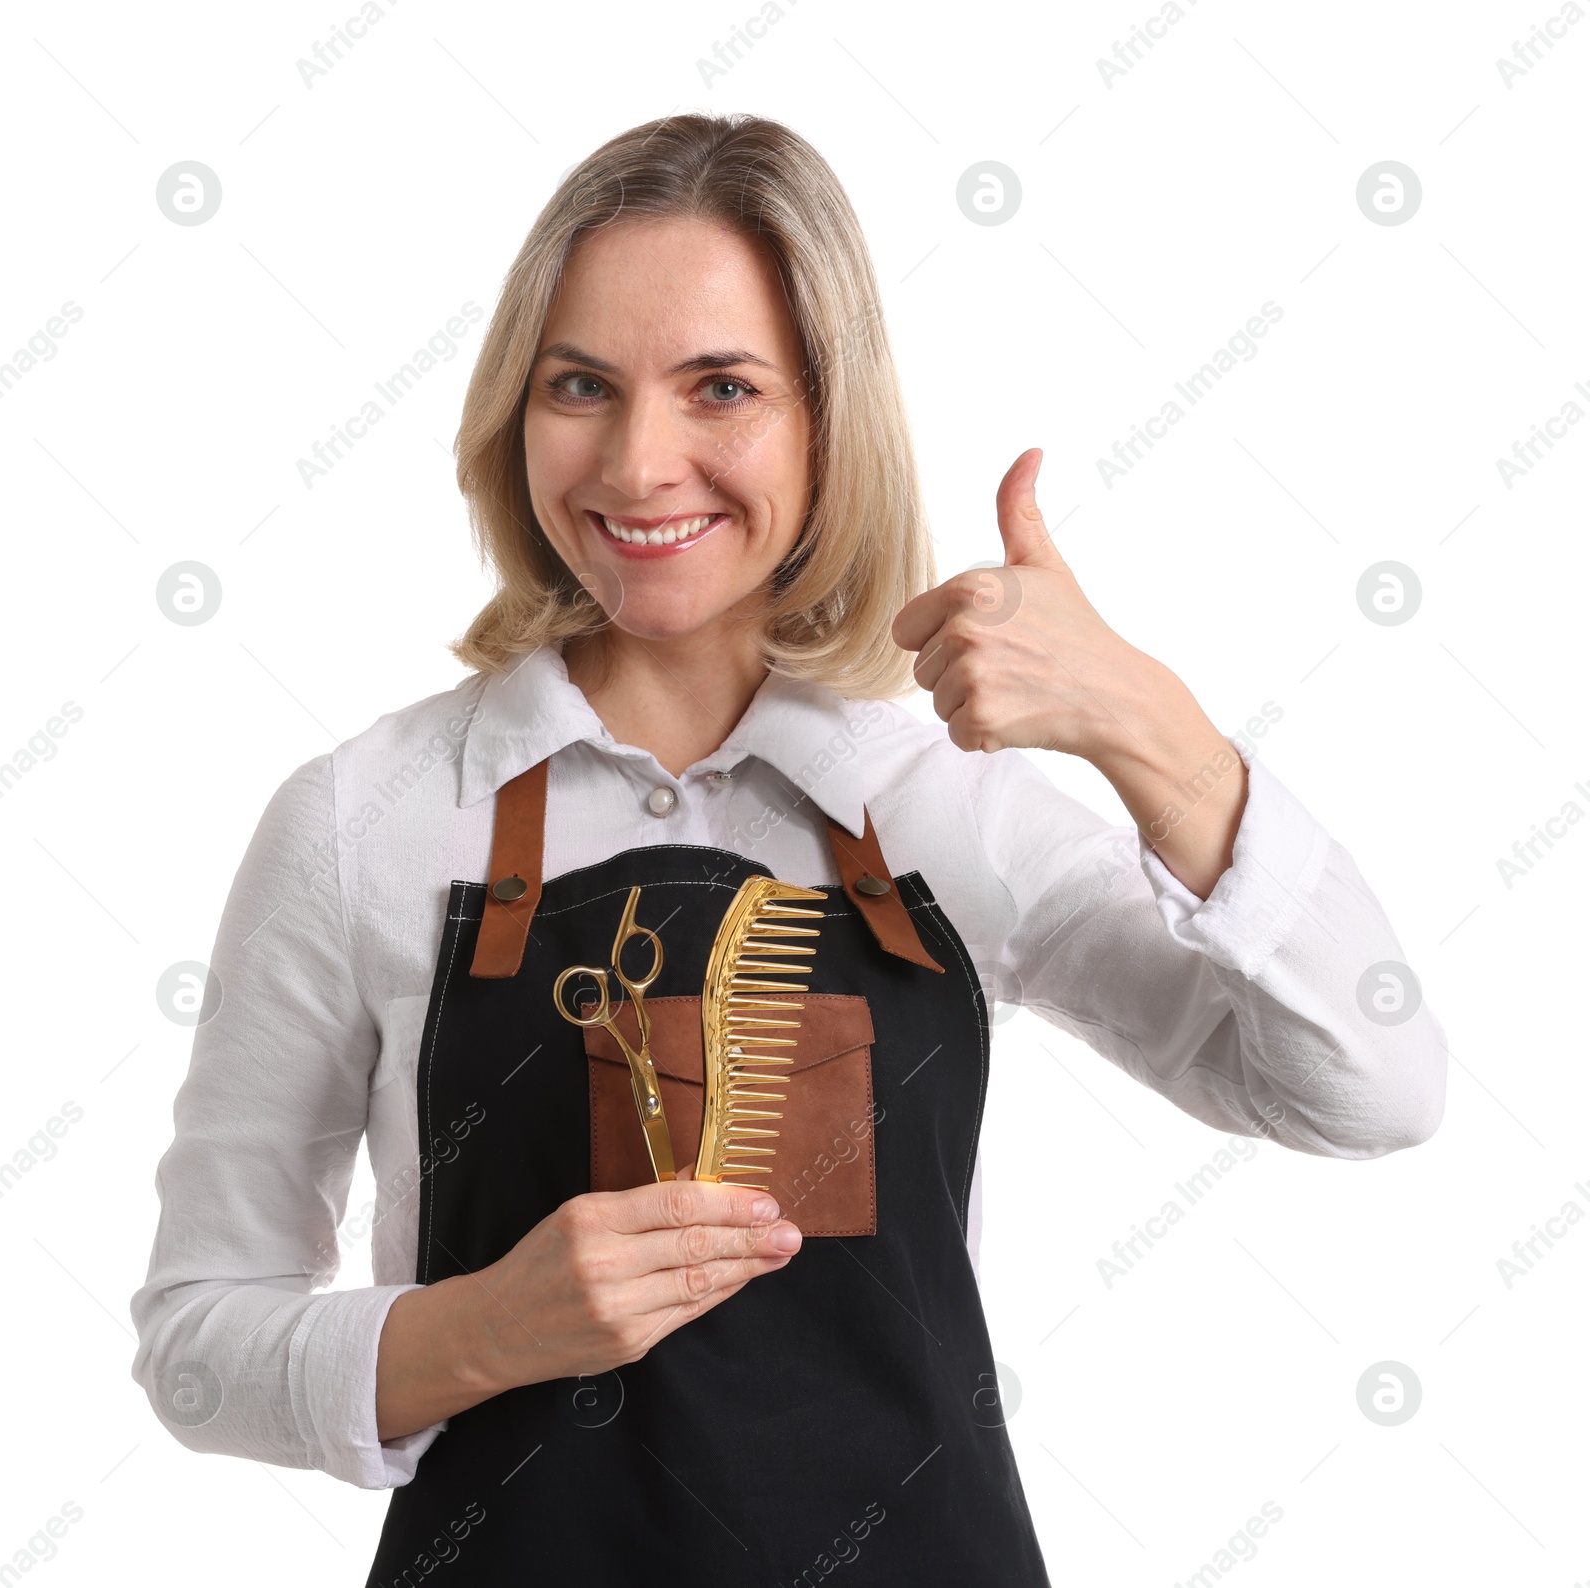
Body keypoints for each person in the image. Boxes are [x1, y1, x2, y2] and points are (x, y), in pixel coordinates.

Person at [130, 112, 1446, 1586]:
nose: (640, 463)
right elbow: (195, 1342)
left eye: (723, 388)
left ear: (828, 419)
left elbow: (1373, 1091)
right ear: (515, 410)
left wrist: (1153, 731)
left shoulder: (946, 808)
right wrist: (481, 1327)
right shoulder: (363, 821)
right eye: (581, 386)